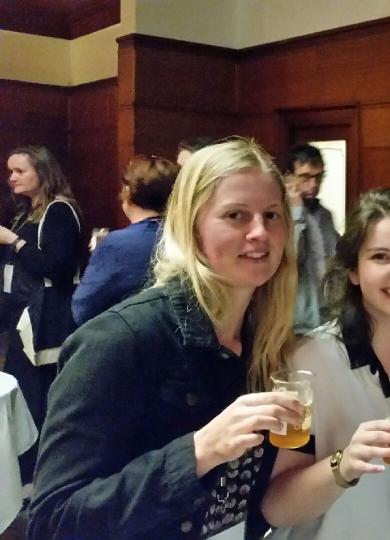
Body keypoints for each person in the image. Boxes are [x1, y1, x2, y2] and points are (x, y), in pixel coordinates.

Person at [29, 139, 305, 540]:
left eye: (272, 215)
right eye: (236, 215)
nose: (260, 232)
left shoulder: (267, 341)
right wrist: (198, 452)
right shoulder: (119, 340)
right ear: (190, 226)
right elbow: (53, 522)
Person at [262, 188, 390, 540]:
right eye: (380, 256)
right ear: (353, 271)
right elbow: (277, 507)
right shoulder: (307, 362)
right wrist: (343, 464)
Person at [0, 145, 83, 484]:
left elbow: (57, 268)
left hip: (46, 321)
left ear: (43, 173)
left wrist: (13, 242)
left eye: (20, 171)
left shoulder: (60, 211)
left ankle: (39, 479)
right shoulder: (26, 212)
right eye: (10, 172)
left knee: (37, 400)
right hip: (22, 316)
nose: (11, 178)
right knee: (25, 396)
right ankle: (23, 476)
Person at [71, 154, 178, 325]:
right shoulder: (188, 236)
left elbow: (83, 308)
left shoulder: (117, 243)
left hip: (132, 337)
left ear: (128, 192)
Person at [284, 144, 340, 336]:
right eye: (305, 177)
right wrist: (296, 213)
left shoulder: (325, 215)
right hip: (296, 320)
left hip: (327, 314)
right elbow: (291, 259)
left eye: (318, 177)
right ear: (288, 176)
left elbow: (335, 260)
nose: (314, 185)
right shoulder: (278, 216)